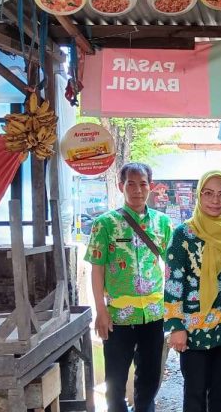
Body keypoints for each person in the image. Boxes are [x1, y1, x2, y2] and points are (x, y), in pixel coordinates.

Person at [164, 171, 221, 412]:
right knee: (195, 392)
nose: (215, 200)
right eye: (208, 193)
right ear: (199, 195)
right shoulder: (184, 233)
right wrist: (175, 326)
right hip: (193, 328)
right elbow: (173, 283)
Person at [85, 163, 173, 412]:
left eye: (143, 184)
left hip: (154, 315)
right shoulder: (105, 224)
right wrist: (101, 311)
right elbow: (97, 270)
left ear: (151, 187)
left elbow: (172, 265)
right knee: (115, 382)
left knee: (149, 380)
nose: (137, 190)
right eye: (131, 184)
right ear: (120, 186)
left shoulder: (162, 223)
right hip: (117, 317)